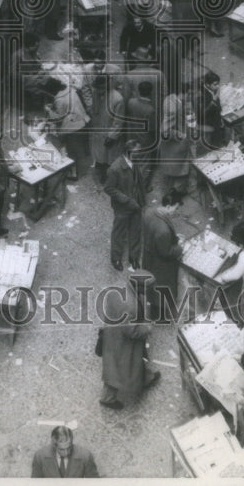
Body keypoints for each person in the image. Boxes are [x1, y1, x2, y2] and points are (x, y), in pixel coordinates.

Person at [98, 272, 160, 409]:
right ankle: (107, 399)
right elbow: (132, 331)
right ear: (140, 288)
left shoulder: (120, 286)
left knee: (122, 364)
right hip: (122, 342)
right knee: (117, 369)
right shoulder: (129, 306)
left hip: (111, 333)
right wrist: (148, 328)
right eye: (148, 289)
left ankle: (145, 378)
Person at [141, 190, 185, 320]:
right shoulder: (163, 231)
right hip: (161, 265)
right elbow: (167, 252)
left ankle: (155, 312)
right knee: (163, 288)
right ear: (168, 206)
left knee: (153, 288)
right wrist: (179, 247)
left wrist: (174, 238)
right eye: (175, 208)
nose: (176, 211)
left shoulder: (149, 212)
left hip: (149, 257)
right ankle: (160, 316)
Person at [104, 140, 146, 271]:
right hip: (123, 206)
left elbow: (138, 181)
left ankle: (134, 257)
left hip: (136, 203)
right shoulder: (115, 169)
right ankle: (115, 258)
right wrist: (127, 200)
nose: (140, 154)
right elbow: (109, 188)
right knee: (119, 232)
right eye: (137, 153)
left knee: (135, 230)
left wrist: (141, 199)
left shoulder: (134, 162)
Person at [88, 63, 126, 185]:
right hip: (98, 130)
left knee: (110, 158)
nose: (97, 91)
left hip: (109, 133)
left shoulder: (118, 99)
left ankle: (111, 177)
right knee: (99, 156)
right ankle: (102, 171)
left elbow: (118, 121)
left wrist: (112, 136)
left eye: (100, 89)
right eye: (96, 89)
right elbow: (94, 109)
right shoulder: (96, 92)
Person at [44, 77, 90, 178]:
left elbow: (58, 118)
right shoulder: (71, 90)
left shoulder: (59, 100)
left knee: (70, 151)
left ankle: (73, 174)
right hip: (82, 121)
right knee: (78, 148)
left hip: (71, 128)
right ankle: (78, 167)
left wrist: (48, 110)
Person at [158, 90, 193, 197]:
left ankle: (173, 192)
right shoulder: (173, 107)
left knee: (173, 168)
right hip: (175, 145)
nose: (190, 96)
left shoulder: (172, 98)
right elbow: (165, 131)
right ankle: (175, 194)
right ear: (183, 92)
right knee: (179, 169)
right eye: (190, 94)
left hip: (171, 146)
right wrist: (180, 135)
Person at [31, 425, 99, 478]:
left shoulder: (85, 456)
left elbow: (94, 484)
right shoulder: (40, 456)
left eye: (69, 448)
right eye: (61, 449)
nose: (66, 452)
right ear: (54, 445)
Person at [196, 71, 227, 149]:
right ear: (207, 84)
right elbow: (201, 114)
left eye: (218, 84)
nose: (218, 86)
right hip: (209, 123)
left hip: (216, 119)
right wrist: (213, 102)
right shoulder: (201, 95)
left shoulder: (212, 90)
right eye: (215, 84)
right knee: (214, 141)